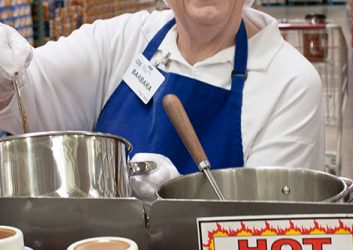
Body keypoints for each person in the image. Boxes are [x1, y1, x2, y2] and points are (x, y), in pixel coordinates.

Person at [0, 0, 324, 205]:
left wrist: (181, 209)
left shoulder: (289, 82)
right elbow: (29, 88)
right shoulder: (125, 40)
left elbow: (266, 228)